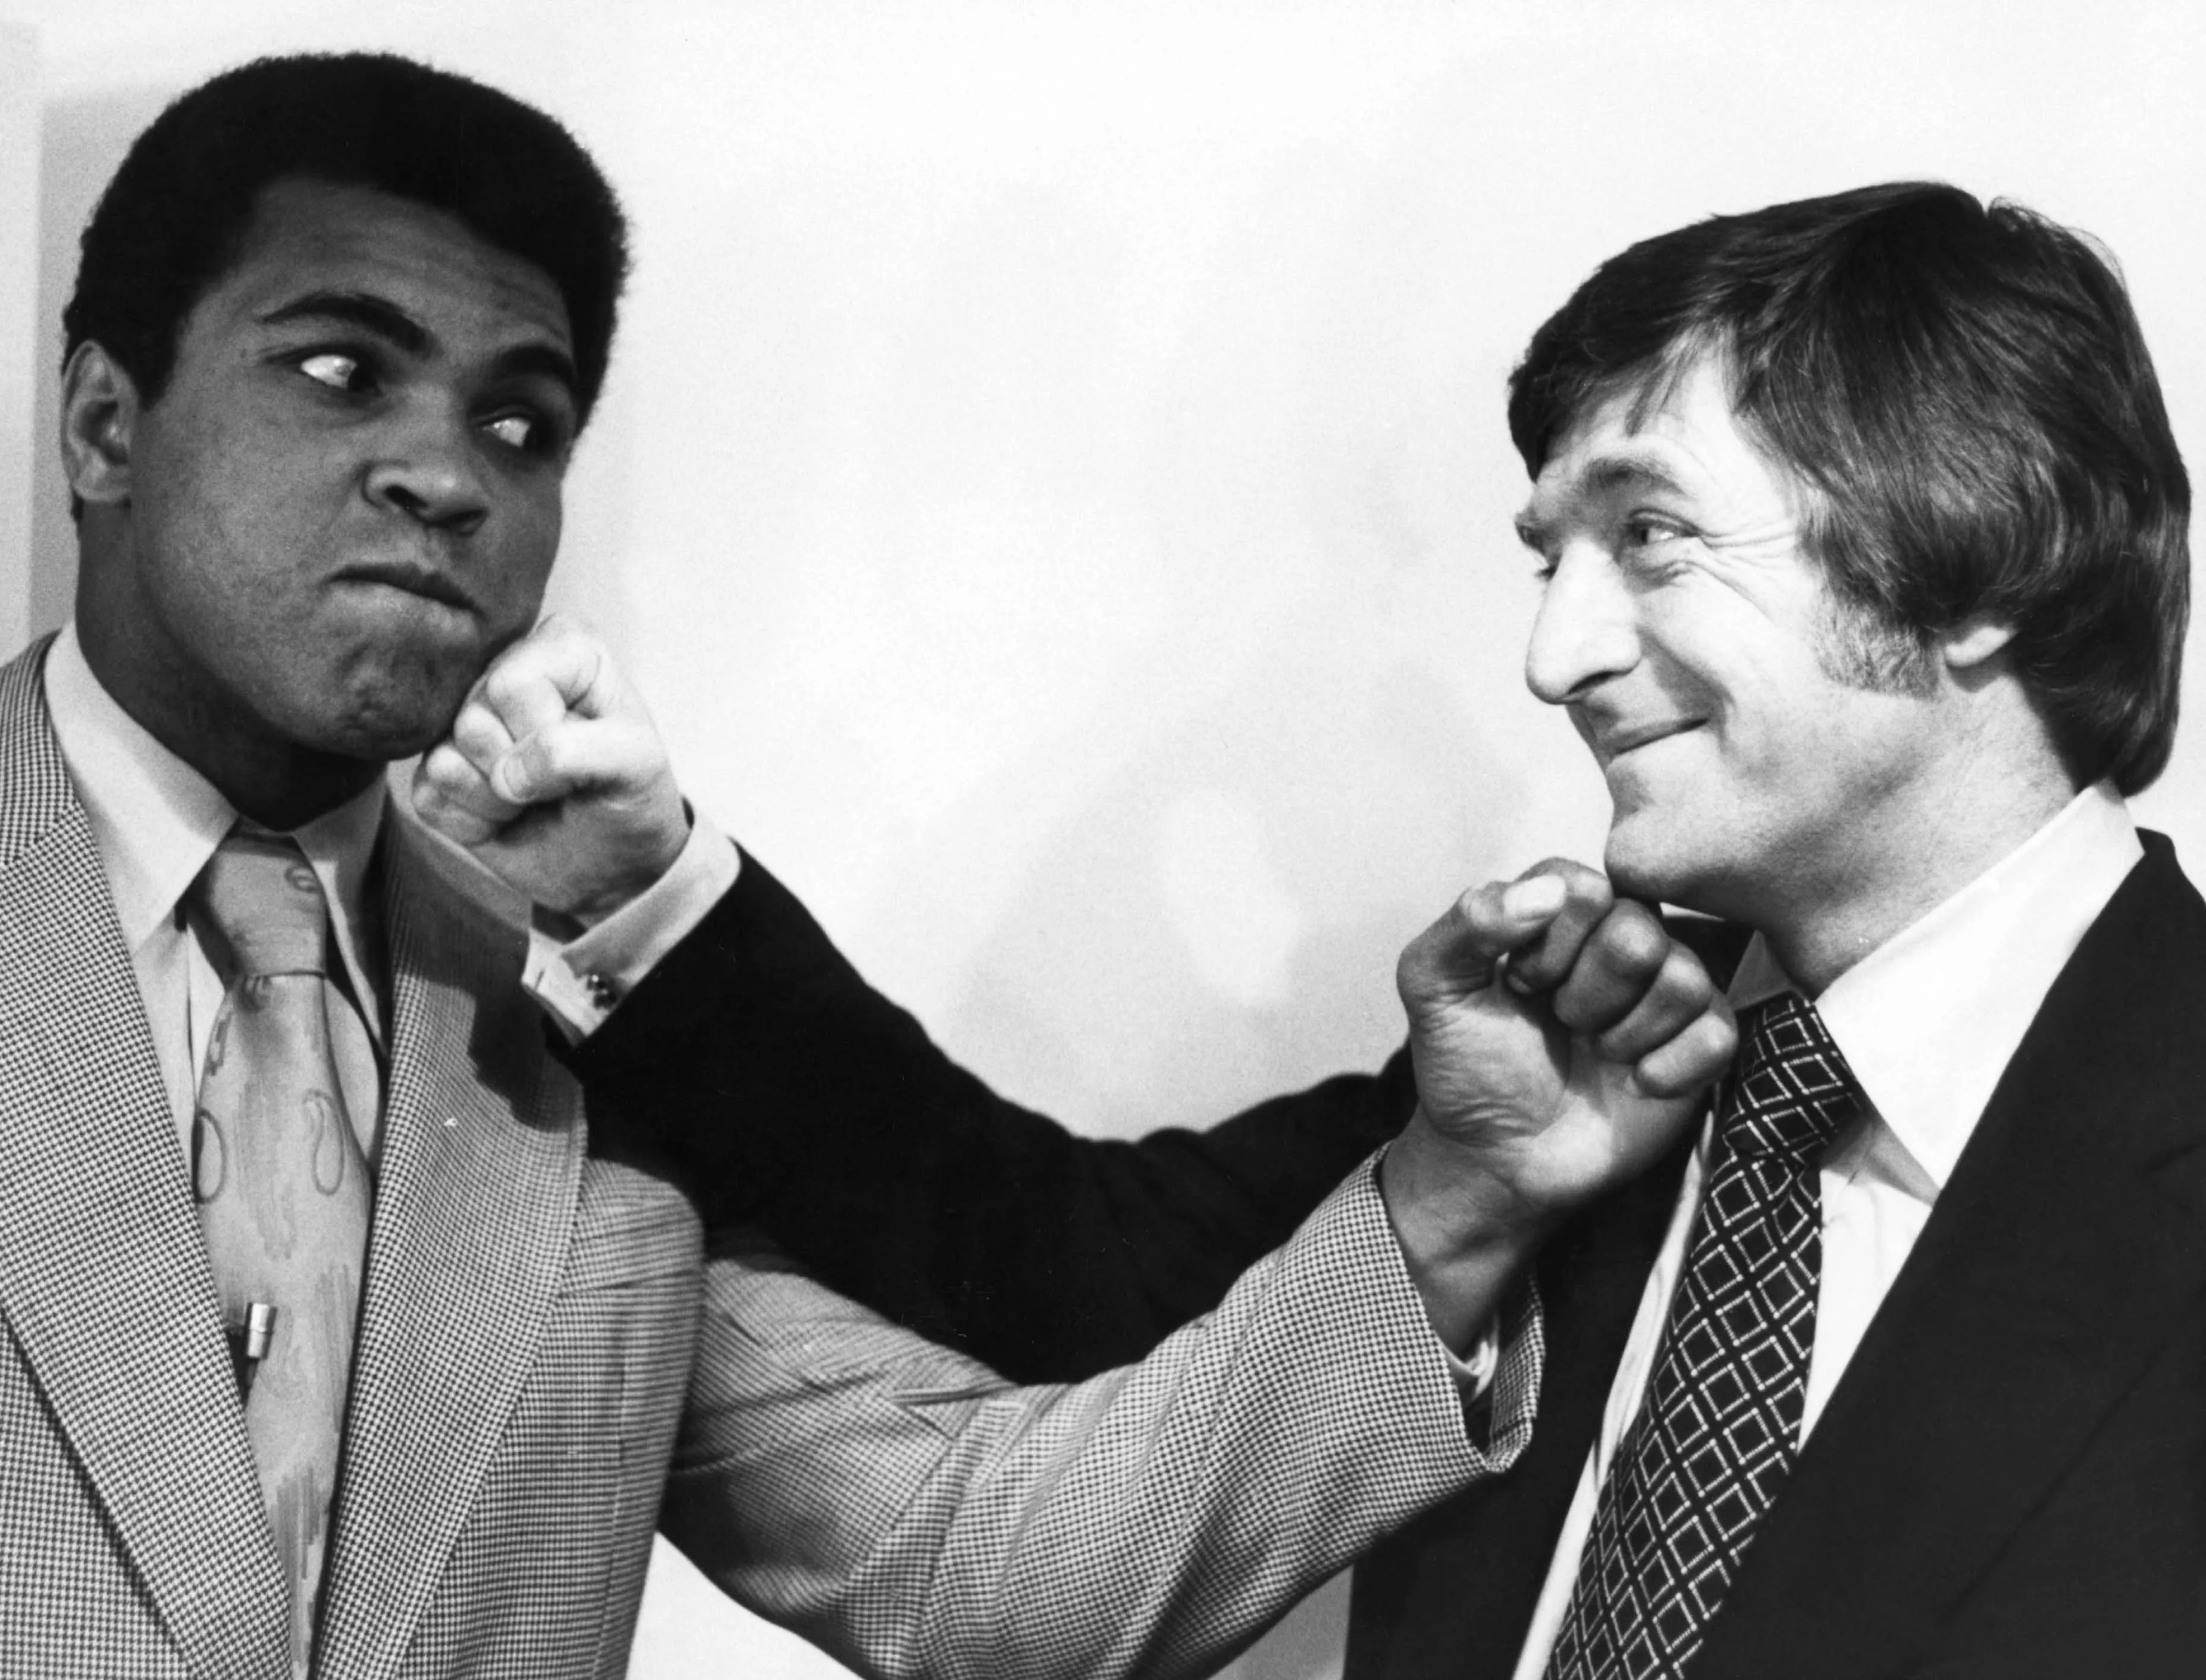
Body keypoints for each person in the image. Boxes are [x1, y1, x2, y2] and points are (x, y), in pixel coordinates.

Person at [0, 49, 1735, 1680]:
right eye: (341, 371)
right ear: (106, 424)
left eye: (521, 421)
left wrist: (1460, 1200)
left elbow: (975, 1562)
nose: (444, 472)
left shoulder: (565, 1033)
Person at [447, 181, 2202, 1678]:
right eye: (1548, 557)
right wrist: (635, 877)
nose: (1554, 656)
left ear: (1978, 570)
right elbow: (1042, 1264)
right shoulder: (1573, 1065)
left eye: (1649, 535)